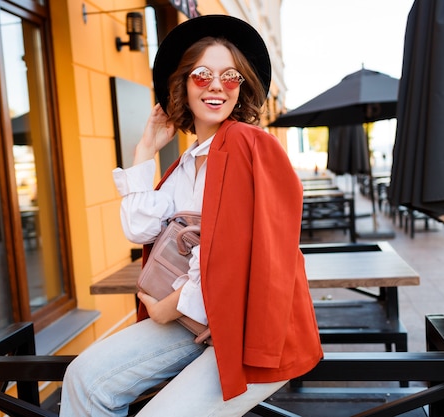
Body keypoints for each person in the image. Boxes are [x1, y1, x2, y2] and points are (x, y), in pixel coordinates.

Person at [60, 15, 322, 417]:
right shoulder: (187, 163)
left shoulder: (249, 145)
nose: (216, 85)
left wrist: (171, 307)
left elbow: (244, 251)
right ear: (182, 83)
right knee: (83, 380)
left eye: (230, 76)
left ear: (241, 87)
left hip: (250, 330)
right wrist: (144, 151)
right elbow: (141, 228)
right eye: (202, 74)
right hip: (198, 323)